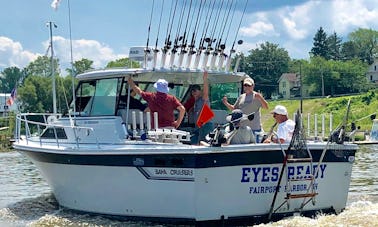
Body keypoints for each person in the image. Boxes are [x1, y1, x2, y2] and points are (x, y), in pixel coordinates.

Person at [222, 77, 268, 142]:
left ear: (253, 86)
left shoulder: (257, 96)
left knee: (254, 148)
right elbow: (234, 109)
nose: (246, 87)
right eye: (245, 85)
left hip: (254, 128)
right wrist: (226, 103)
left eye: (249, 85)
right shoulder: (241, 97)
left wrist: (261, 98)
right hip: (243, 129)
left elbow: (266, 107)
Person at [188, 71, 213, 144]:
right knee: (193, 141)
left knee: (204, 143)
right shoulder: (196, 101)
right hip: (198, 126)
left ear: (200, 91)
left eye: (195, 90)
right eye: (192, 91)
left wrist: (205, 79)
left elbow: (205, 92)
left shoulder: (204, 99)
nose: (193, 92)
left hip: (206, 125)